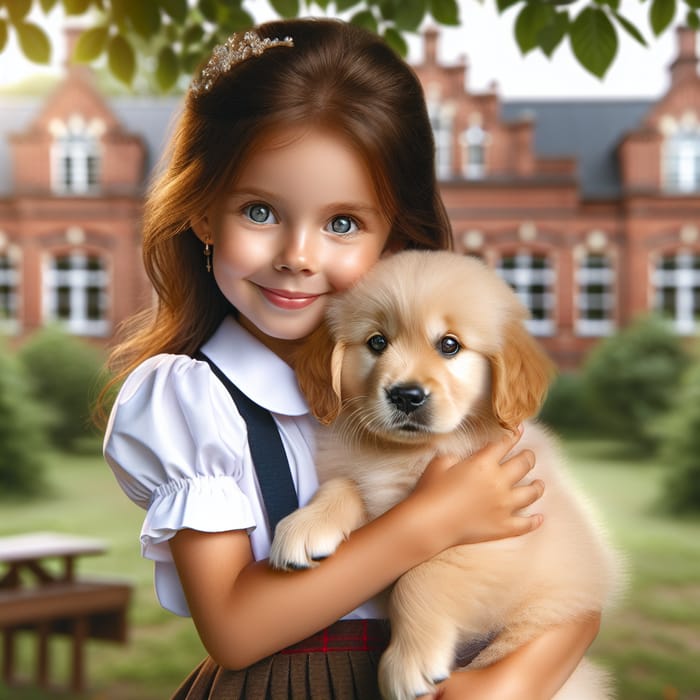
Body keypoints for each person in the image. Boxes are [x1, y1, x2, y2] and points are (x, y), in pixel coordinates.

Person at [101, 17, 600, 700]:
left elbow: (566, 576)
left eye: (342, 223)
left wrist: (513, 680)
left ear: (394, 234)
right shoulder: (194, 398)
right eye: (259, 210)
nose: (298, 255)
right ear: (202, 213)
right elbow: (235, 630)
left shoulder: (447, 394)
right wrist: (428, 523)